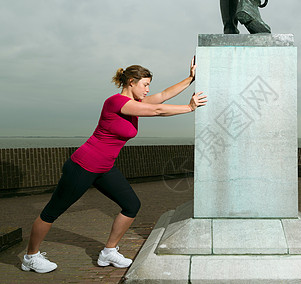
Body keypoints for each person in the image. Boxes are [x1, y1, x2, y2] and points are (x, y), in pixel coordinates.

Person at [21, 58, 206, 273]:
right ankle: (30, 257)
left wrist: (191, 78)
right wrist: (190, 107)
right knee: (52, 212)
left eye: (149, 85)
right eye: (145, 85)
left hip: (104, 168)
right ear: (131, 82)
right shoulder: (115, 102)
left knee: (131, 205)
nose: (148, 90)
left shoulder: (135, 105)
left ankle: (108, 252)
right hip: (83, 165)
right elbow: (157, 110)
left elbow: (163, 96)